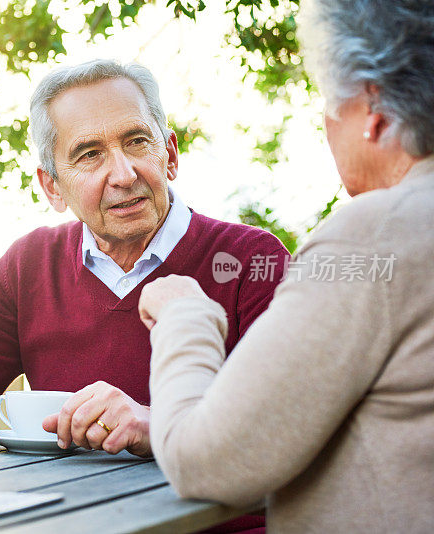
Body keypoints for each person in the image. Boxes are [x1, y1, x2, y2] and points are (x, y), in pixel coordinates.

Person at [140, 1, 434, 532]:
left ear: (373, 107)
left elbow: (207, 462)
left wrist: (185, 315)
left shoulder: (374, 236)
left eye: (327, 103)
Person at [0, 59, 289, 464]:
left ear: (169, 155)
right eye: (90, 154)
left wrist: (157, 424)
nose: (124, 174)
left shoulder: (253, 259)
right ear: (53, 186)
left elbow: (290, 422)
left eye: (136, 141)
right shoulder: (28, 266)